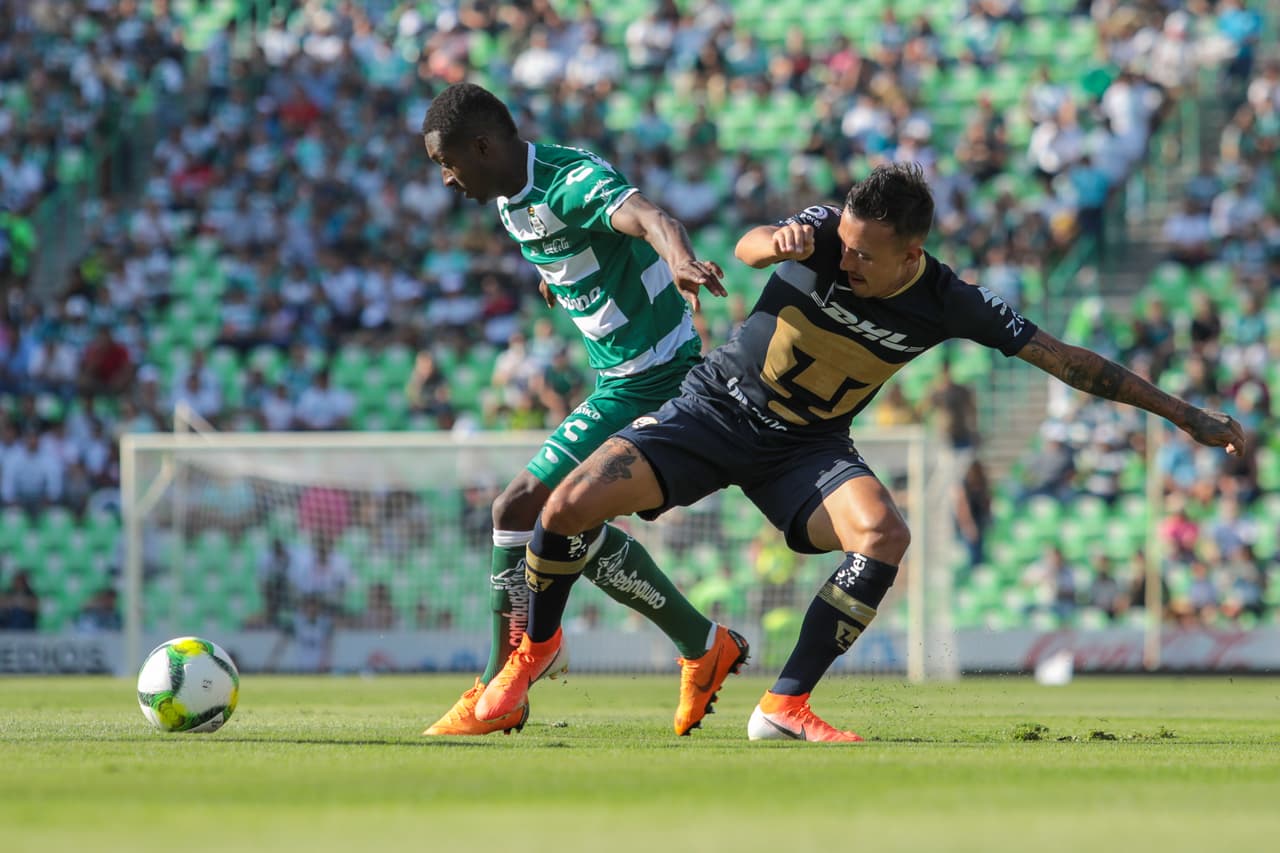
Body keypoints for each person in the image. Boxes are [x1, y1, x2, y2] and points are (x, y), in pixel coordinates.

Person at [476, 163, 1246, 743]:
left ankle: (783, 704)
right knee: (563, 506)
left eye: (863, 258)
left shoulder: (949, 301)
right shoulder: (822, 234)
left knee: (885, 534)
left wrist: (1183, 414)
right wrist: (772, 242)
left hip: (804, 449)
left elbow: (1070, 360)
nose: (843, 262)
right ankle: (534, 650)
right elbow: (748, 247)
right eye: (840, 244)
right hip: (715, 409)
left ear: (912, 255)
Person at [419, 82, 746, 737]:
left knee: (514, 507)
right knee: (566, 524)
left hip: (653, 378)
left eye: (448, 163)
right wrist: (561, 273)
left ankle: (497, 684)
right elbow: (567, 242)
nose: (447, 179)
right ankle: (703, 643)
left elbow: (649, 217)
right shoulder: (513, 196)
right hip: (620, 378)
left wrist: (679, 259)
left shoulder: (568, 182)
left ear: (483, 146)